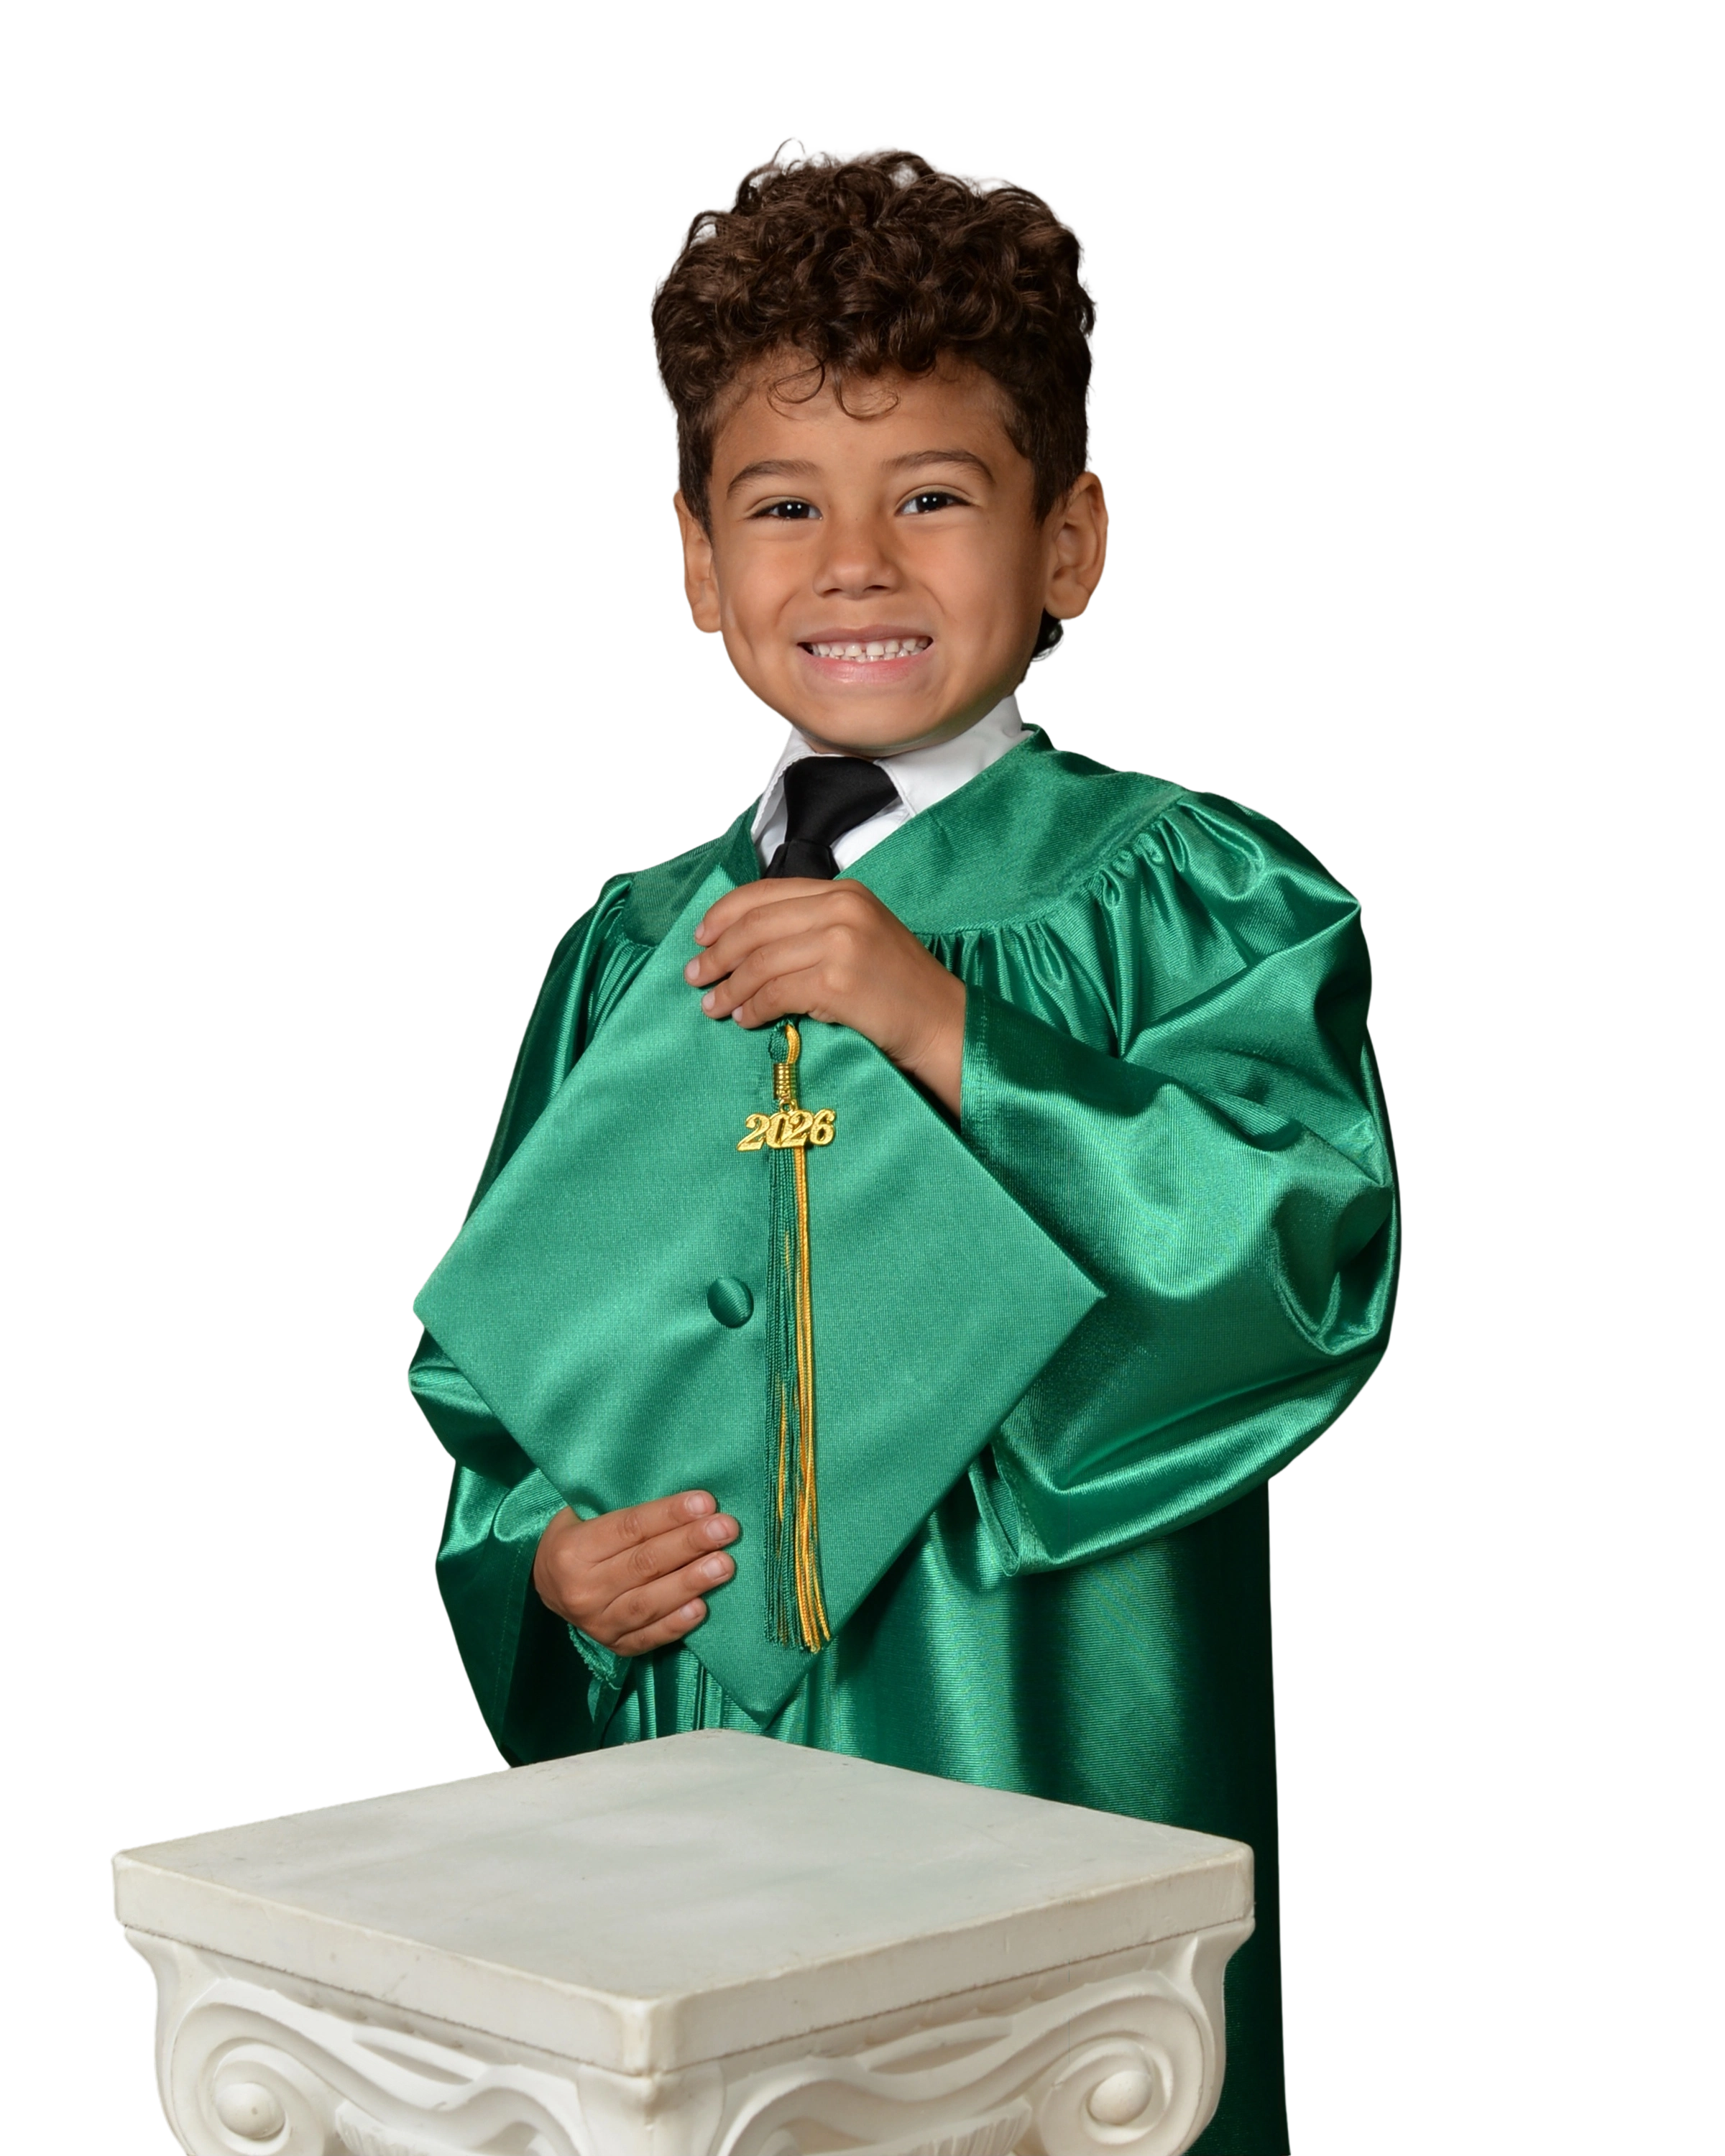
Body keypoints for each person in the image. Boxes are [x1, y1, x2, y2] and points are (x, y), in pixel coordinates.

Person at [405, 136, 1399, 2155]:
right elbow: (511, 1382)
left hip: (1043, 1727)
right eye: (785, 505)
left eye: (932, 496)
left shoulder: (1189, 896)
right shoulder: (635, 949)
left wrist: (947, 1028)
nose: (854, 562)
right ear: (702, 563)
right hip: (693, 1779)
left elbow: (1297, 1263)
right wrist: (551, 1567)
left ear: (1071, 539)